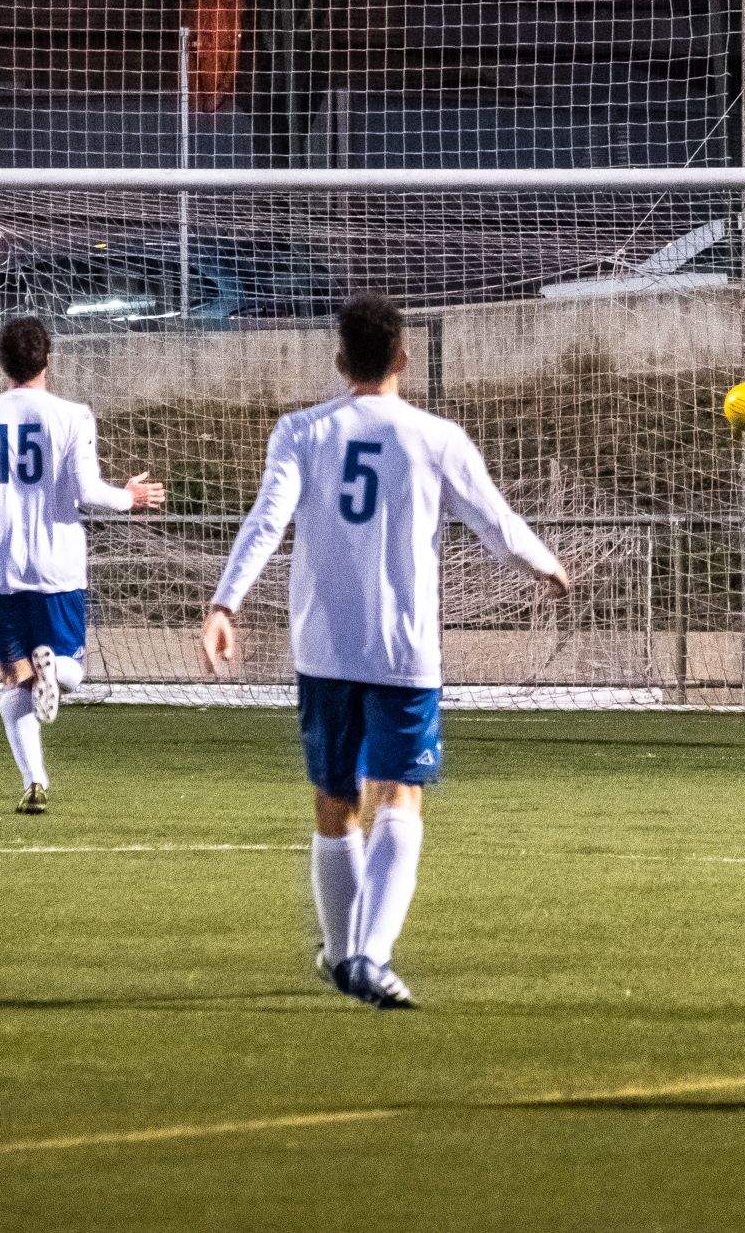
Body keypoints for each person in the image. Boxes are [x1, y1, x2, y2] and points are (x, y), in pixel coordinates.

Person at [200, 295, 569, 1010]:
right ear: (403, 357)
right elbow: (494, 520)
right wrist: (543, 562)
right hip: (403, 650)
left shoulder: (301, 431)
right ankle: (369, 956)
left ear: (341, 360)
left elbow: (267, 520)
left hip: (324, 648)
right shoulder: (436, 437)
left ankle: (345, 957)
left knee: (335, 802)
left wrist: (225, 604)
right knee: (400, 794)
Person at [0, 316, 164, 814]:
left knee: (16, 680)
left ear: (1, 362)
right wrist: (130, 497)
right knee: (68, 671)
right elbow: (88, 491)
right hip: (57, 563)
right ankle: (55, 677)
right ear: (48, 359)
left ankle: (35, 783)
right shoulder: (73, 415)